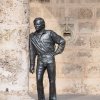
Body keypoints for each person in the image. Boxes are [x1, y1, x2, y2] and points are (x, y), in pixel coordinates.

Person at [29, 17, 66, 100]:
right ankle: (41, 98)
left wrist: (57, 52)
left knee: (52, 80)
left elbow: (62, 41)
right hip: (40, 60)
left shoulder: (50, 33)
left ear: (43, 25)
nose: (36, 26)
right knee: (38, 79)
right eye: (35, 24)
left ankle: (52, 98)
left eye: (38, 24)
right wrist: (32, 65)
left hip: (50, 59)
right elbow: (32, 52)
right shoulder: (32, 36)